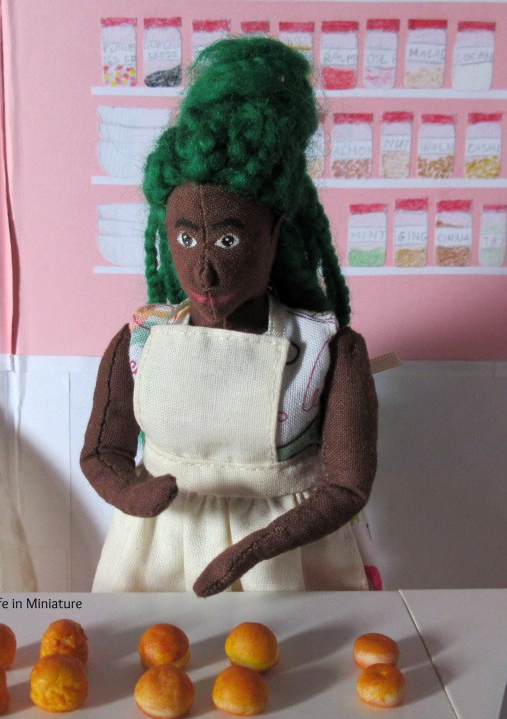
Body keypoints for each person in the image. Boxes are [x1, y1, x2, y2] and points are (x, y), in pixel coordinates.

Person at [81, 36, 378, 596]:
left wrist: (255, 548)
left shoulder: (327, 350)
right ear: (167, 236)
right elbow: (102, 451)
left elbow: (346, 484)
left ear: (275, 233)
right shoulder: (142, 339)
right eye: (187, 238)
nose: (206, 271)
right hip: (159, 552)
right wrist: (133, 493)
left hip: (288, 559)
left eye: (229, 237)